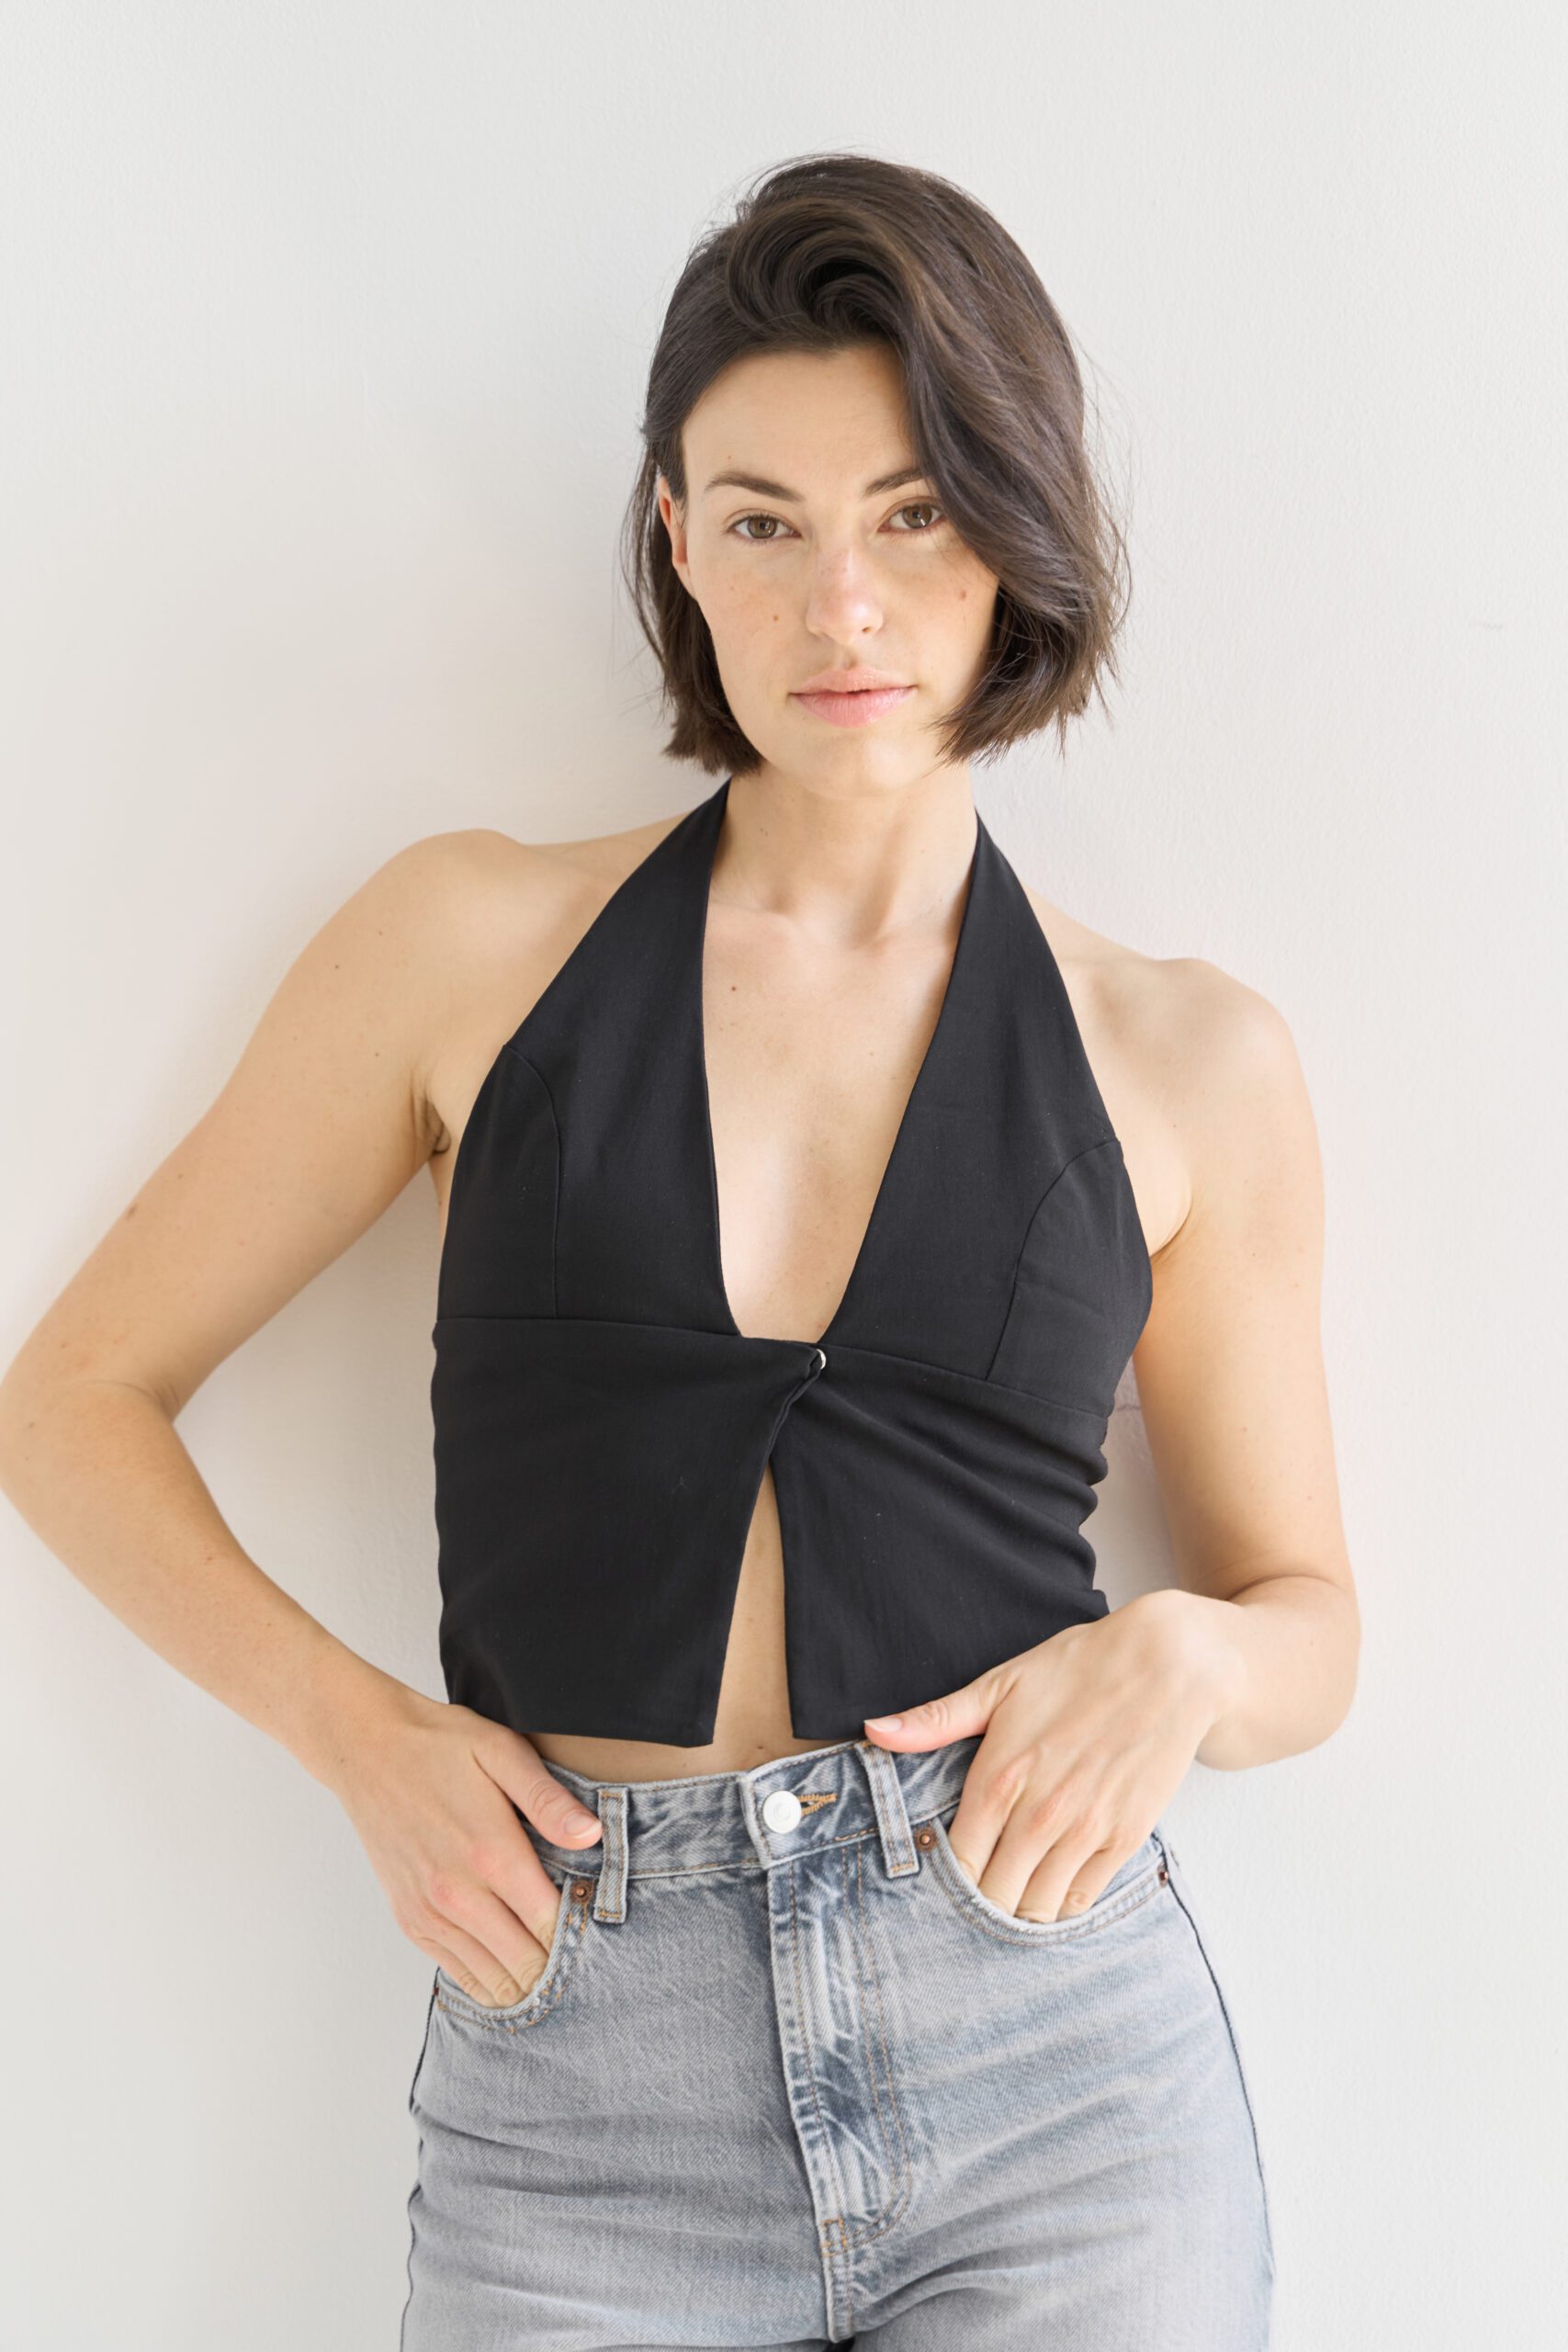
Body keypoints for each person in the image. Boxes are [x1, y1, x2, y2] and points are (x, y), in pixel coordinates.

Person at [0, 153, 1358, 2347]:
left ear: (1013, 527)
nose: (843, 607)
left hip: (1052, 2064)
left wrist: (1188, 1660)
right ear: (673, 541)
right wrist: (361, 1735)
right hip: (578, 2084)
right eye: (765, 522)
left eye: (911, 514)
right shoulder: (464, 944)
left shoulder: (1186, 1055)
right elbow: (69, 1402)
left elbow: (1306, 1614)